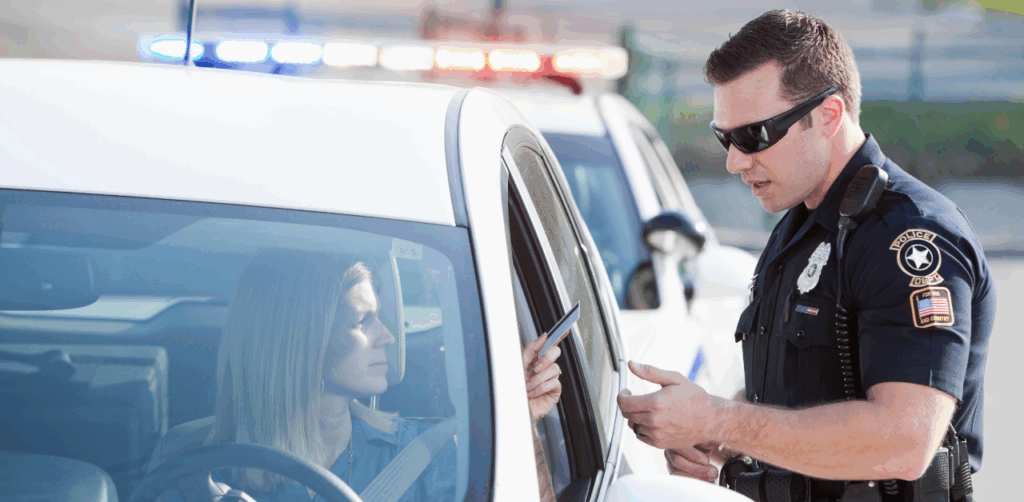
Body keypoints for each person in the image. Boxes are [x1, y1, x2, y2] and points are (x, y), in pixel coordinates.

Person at [617, 9, 994, 500]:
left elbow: (905, 441)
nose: (735, 160)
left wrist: (723, 421)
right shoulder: (803, 221)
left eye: (754, 136)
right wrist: (717, 441)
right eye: (725, 138)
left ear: (829, 115)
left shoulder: (910, 235)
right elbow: (797, 392)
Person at [207, 251, 565, 501]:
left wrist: (520, 426)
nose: (388, 337)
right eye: (363, 321)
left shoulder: (427, 455)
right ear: (299, 341)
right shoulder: (204, 472)